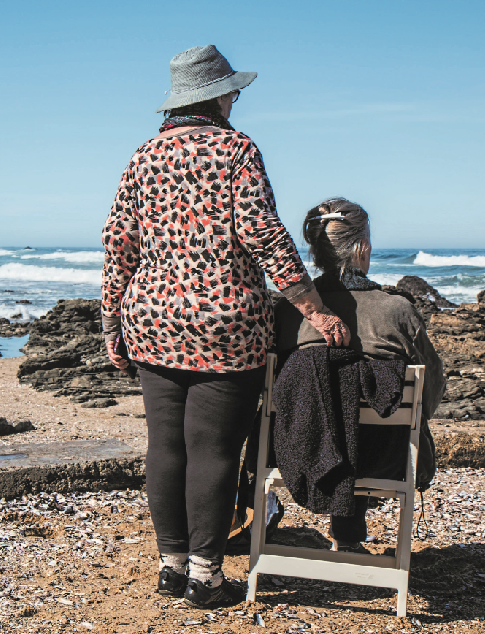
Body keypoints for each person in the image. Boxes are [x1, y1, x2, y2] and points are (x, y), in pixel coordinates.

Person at [101, 45, 350, 608]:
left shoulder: (144, 156)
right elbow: (264, 234)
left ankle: (171, 566)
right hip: (225, 324)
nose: (236, 98)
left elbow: (119, 243)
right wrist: (314, 307)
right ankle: (205, 577)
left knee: (165, 446)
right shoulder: (236, 149)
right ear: (213, 95)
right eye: (232, 91)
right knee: (212, 448)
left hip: (153, 317)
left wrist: (111, 322)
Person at [274, 197, 445, 552]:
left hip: (298, 452)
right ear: (361, 249)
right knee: (367, 422)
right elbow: (431, 390)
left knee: (330, 409)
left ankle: (343, 537)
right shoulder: (396, 310)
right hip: (384, 457)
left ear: (317, 251)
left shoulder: (289, 312)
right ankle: (349, 537)